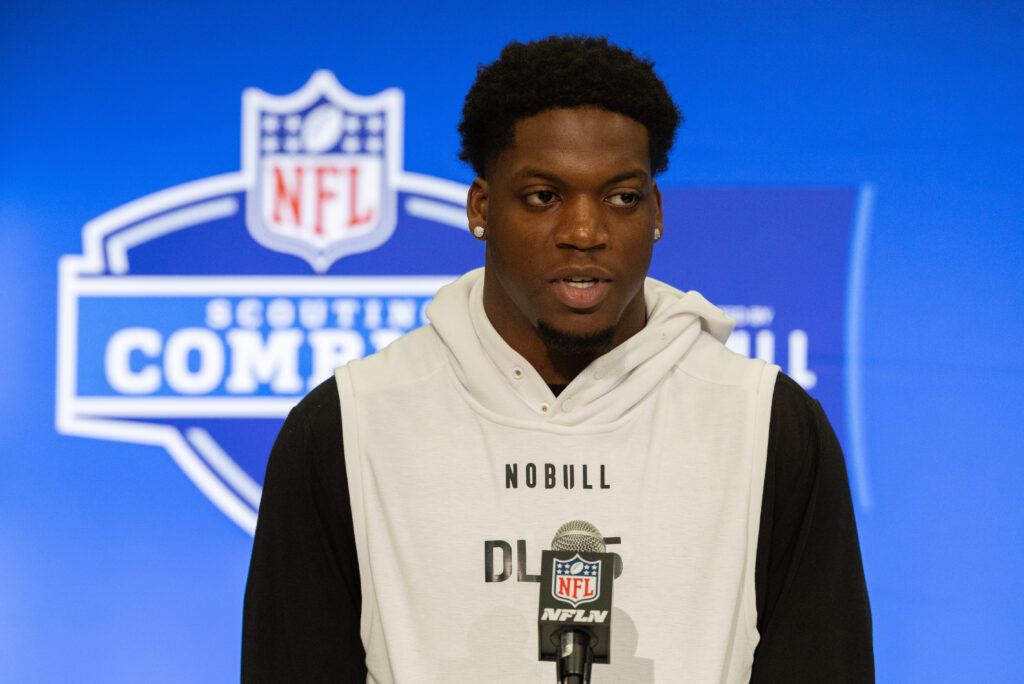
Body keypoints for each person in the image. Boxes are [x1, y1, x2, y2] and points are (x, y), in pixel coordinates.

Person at [242, 35, 873, 683]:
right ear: (482, 208)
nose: (584, 232)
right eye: (544, 196)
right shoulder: (348, 426)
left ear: (656, 212)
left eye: (621, 197)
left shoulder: (767, 424)